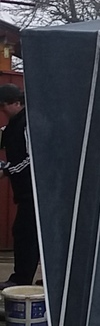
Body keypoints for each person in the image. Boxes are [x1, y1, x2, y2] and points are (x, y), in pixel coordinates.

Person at [0, 84, 36, 288]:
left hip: (36, 192)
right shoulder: (13, 126)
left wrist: (6, 171)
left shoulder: (27, 123)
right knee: (27, 233)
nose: (2, 111)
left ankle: (21, 280)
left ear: (16, 103)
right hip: (24, 192)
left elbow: (32, 158)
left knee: (25, 234)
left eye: (4, 106)